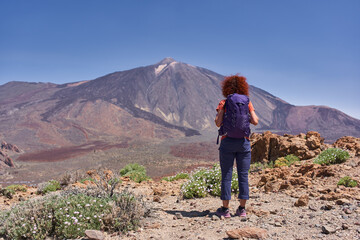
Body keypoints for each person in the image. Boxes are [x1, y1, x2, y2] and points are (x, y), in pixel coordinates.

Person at [214, 75, 259, 218]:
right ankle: (242, 209)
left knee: (226, 176)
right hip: (243, 143)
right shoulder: (247, 102)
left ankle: (225, 210)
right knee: (243, 176)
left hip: (227, 142)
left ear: (226, 87)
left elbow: (218, 123)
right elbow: (256, 121)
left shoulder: (225, 102)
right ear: (243, 87)